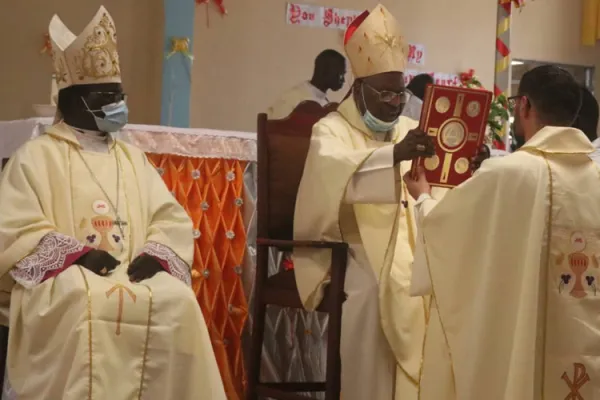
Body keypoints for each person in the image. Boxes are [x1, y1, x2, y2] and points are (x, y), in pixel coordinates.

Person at [0, 7, 226, 400]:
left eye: (119, 96)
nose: (117, 104)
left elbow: (168, 217)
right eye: (105, 96)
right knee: (82, 299)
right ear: (72, 100)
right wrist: (75, 256)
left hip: (132, 271)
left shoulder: (131, 158)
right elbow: (13, 226)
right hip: (66, 277)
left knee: (179, 301)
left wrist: (157, 255)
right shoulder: (36, 157)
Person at [404, 65, 600, 399]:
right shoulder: (595, 177)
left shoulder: (510, 173)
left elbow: (449, 234)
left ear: (524, 105)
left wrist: (422, 198)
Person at [293, 5, 439, 400]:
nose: (395, 103)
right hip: (351, 248)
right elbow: (330, 179)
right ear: (358, 88)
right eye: (386, 93)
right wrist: (392, 156)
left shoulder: (409, 129)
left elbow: (437, 184)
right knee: (377, 291)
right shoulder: (331, 129)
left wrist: (463, 167)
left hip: (414, 245)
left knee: (443, 284)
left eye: (400, 92)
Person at [267, 49, 346, 119]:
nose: (343, 80)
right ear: (325, 70)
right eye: (341, 74)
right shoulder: (291, 98)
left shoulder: (327, 106)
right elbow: (276, 131)